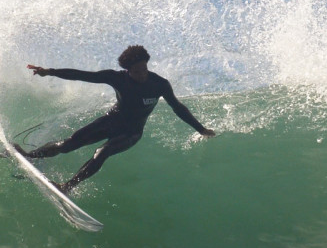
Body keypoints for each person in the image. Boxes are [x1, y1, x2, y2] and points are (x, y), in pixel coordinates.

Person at [17, 45, 216, 193]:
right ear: (128, 70)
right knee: (67, 144)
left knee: (102, 152)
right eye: (137, 71)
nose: (142, 74)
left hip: (132, 131)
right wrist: (49, 71)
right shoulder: (117, 78)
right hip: (110, 121)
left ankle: (67, 186)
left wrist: (200, 129)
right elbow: (81, 75)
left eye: (144, 69)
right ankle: (30, 156)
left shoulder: (160, 84)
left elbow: (178, 107)